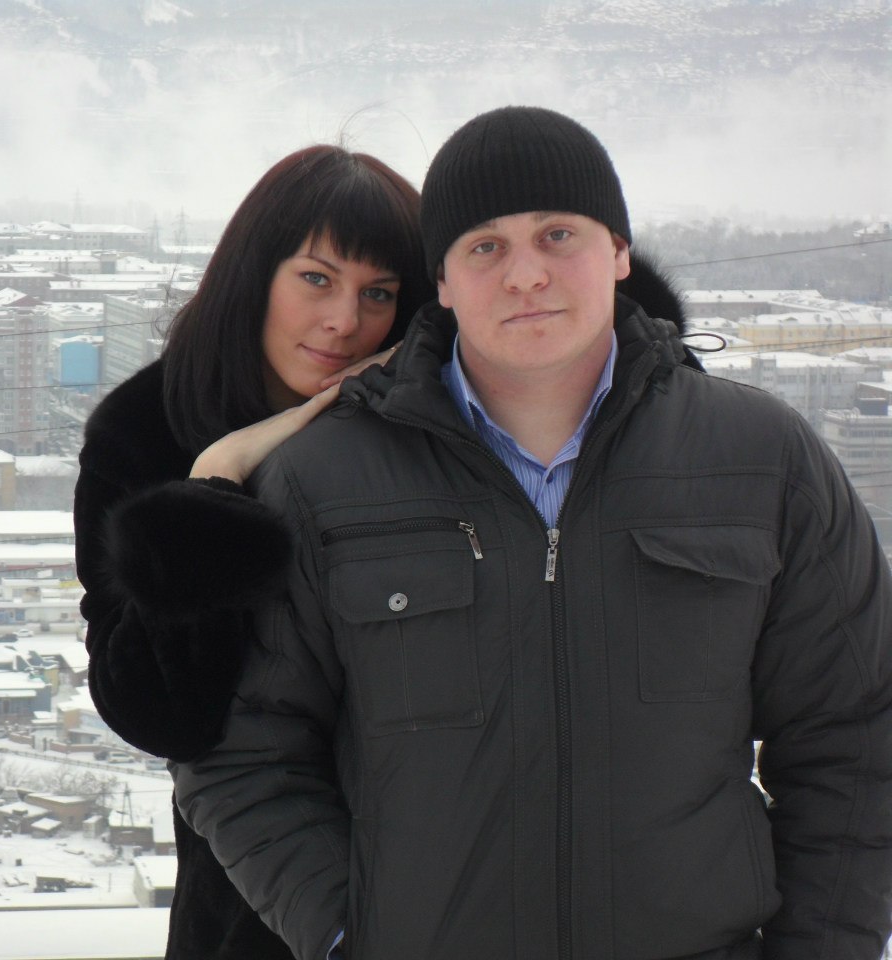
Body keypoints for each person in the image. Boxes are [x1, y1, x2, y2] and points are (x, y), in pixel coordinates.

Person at [175, 106, 892, 960]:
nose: (525, 275)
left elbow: (856, 734)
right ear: (442, 282)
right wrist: (346, 934)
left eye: (558, 235)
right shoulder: (324, 481)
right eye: (485, 247)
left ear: (618, 252)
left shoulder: (761, 459)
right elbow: (239, 748)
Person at [73, 144, 434, 960]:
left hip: (454, 885)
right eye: (316, 278)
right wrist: (215, 482)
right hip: (251, 911)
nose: (345, 320)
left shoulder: (430, 428)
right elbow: (162, 714)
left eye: (378, 293)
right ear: (253, 274)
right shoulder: (146, 435)